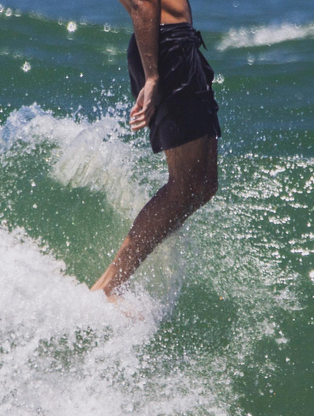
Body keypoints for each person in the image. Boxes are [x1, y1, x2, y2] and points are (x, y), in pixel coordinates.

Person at [90, 0, 221, 298]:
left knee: (203, 185)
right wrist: (152, 76)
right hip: (167, 51)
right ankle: (109, 287)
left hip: (179, 44)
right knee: (185, 185)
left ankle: (120, 279)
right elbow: (141, 3)